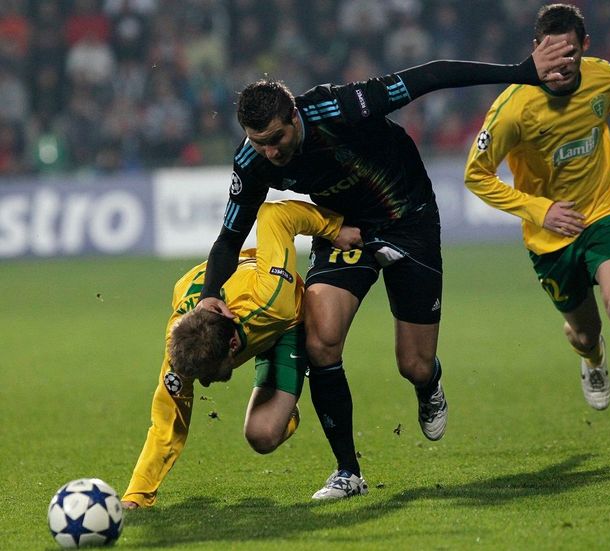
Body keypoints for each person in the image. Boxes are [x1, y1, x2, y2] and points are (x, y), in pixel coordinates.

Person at [197, 41, 575, 499]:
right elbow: (229, 236)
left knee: (412, 364)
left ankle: (429, 382)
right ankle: (348, 472)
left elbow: (431, 75)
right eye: (259, 143)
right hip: (344, 229)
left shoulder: (339, 107)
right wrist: (209, 295)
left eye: (276, 138)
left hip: (409, 218)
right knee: (321, 339)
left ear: (294, 116)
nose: (271, 152)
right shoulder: (254, 162)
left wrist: (522, 71)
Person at [464, 3, 610, 452]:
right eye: (551, 56)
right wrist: (540, 210)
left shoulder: (604, 76)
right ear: (536, 49)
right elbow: (476, 175)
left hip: (603, 210)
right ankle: (592, 355)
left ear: (585, 48)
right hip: (550, 237)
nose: (561, 70)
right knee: (584, 329)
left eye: (570, 58)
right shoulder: (512, 109)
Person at [121, 200, 361, 508]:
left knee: (267, 428)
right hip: (239, 312)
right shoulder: (181, 345)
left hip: (287, 324)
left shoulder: (274, 300)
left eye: (209, 375)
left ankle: (288, 396)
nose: (205, 385)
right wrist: (136, 496)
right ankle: (281, 402)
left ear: (234, 346)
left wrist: (333, 228)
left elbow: (275, 213)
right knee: (261, 438)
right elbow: (168, 424)